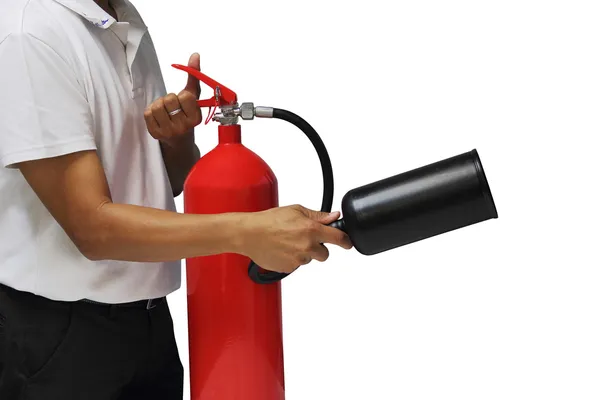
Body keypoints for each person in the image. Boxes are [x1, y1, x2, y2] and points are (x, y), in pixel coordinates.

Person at [0, 0, 352, 398]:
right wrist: (247, 232)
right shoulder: (29, 34)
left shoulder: (122, 19)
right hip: (59, 341)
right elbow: (93, 229)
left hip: (148, 323)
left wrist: (177, 141)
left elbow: (163, 186)